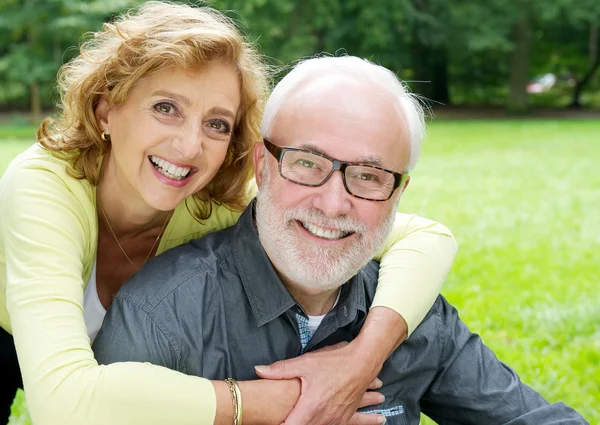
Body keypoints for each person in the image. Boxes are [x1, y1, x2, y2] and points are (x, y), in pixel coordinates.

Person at [0, 3, 458, 425]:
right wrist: (287, 400)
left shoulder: (213, 199)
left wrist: (360, 361)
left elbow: (427, 237)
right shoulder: (45, 184)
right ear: (106, 109)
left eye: (217, 124)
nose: (189, 146)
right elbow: (63, 402)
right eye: (166, 108)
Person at [94, 55, 589, 425]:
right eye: (307, 164)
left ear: (398, 194)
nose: (333, 205)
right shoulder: (162, 316)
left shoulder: (410, 311)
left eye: (369, 176)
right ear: (262, 167)